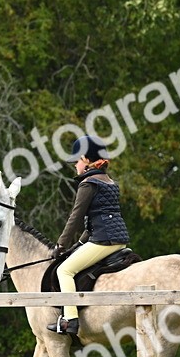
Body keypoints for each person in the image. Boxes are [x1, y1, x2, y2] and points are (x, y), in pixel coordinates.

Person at [48, 140, 130, 335]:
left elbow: (75, 218)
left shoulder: (88, 183)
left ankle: (70, 320)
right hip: (118, 239)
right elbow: (94, 221)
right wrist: (77, 245)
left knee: (64, 270)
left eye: (76, 161)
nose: (75, 166)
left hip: (104, 241)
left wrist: (60, 244)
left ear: (85, 159)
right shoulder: (109, 181)